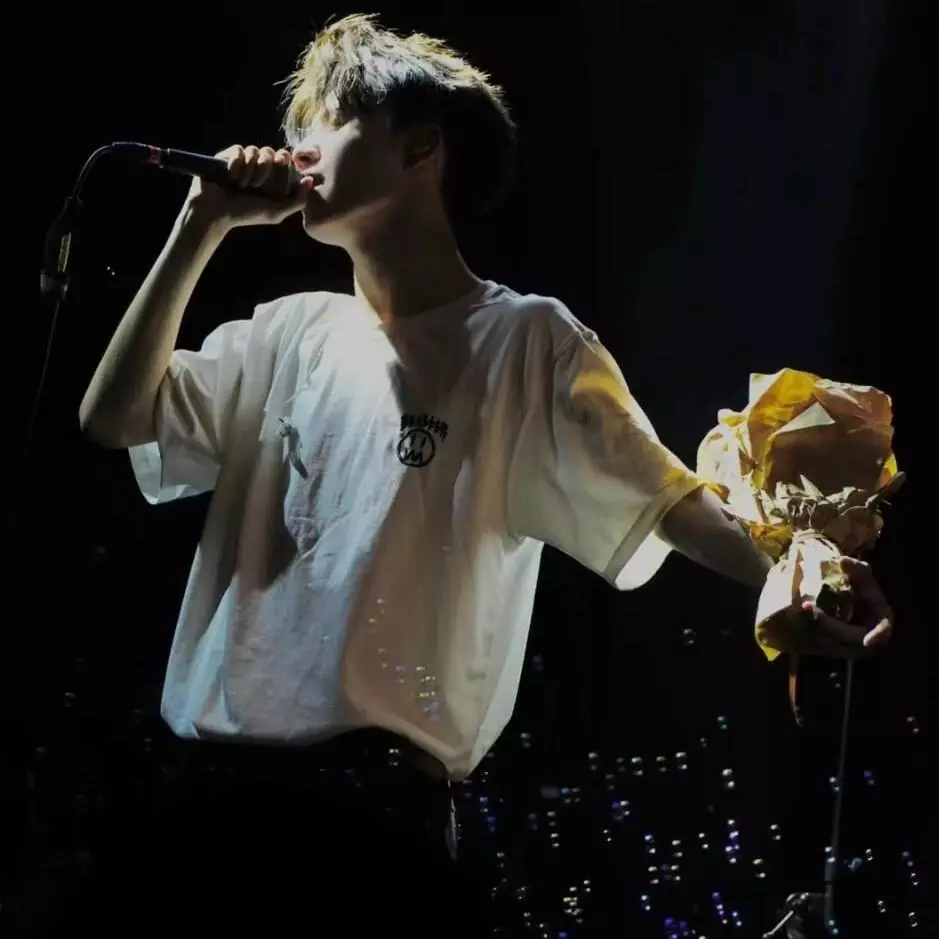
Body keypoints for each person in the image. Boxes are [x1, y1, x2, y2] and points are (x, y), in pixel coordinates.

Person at [76, 13, 894, 937]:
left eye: (326, 124)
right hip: (208, 802)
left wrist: (803, 573)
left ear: (420, 147)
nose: (295, 151)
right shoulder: (285, 332)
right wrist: (200, 224)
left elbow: (667, 499)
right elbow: (113, 418)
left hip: (373, 822)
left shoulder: (524, 341)